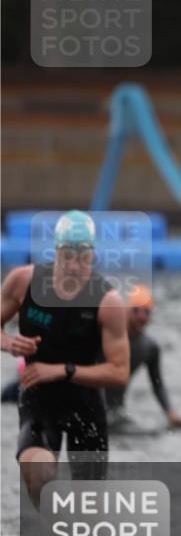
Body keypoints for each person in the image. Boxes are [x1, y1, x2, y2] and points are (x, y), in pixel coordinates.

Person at [0, 210, 129, 506]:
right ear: (55, 252)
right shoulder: (24, 282)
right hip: (39, 400)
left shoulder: (107, 302)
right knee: (39, 476)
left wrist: (62, 370)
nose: (74, 265)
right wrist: (9, 343)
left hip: (86, 406)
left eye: (83, 257)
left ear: (93, 256)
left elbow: (119, 372)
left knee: (89, 512)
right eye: (67, 255)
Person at [102, 284, 181, 431]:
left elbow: (157, 384)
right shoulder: (105, 335)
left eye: (147, 312)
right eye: (136, 310)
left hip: (116, 414)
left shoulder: (149, 348)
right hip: (91, 408)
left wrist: (170, 413)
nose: (141, 316)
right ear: (126, 310)